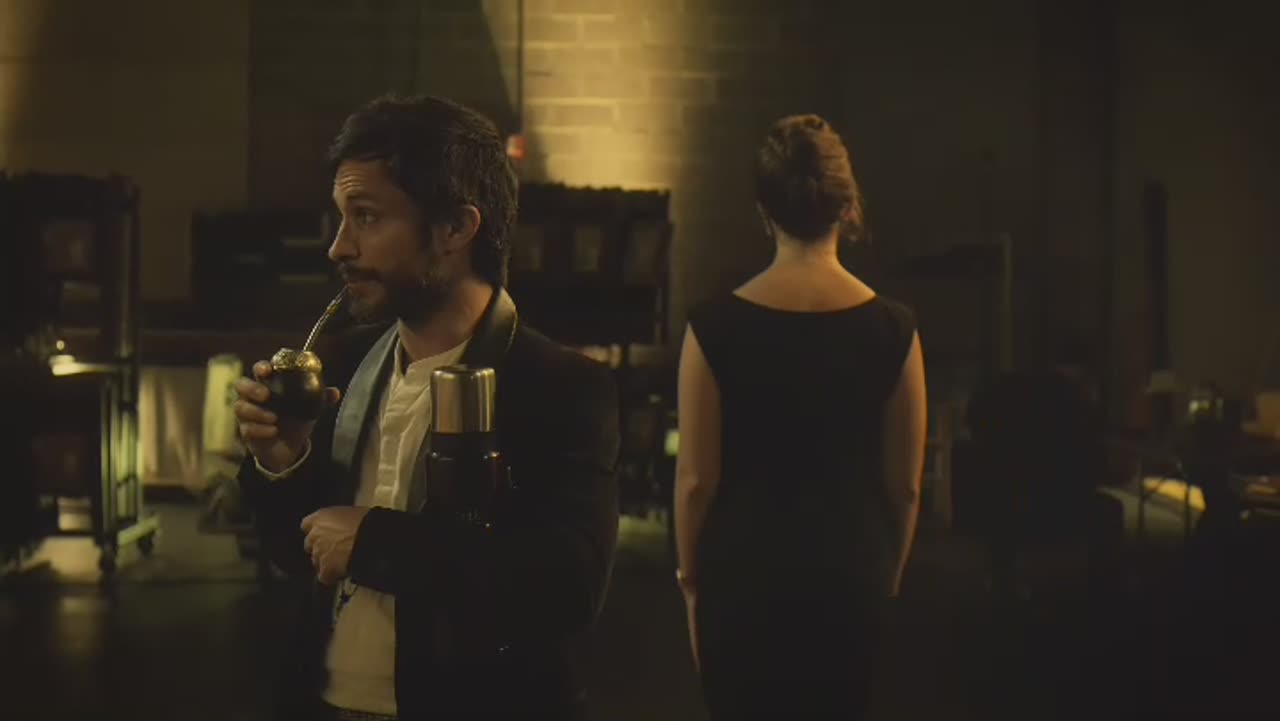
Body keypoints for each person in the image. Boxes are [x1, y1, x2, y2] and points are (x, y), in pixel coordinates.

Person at [233, 94, 620, 721]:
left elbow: (567, 588)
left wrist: (375, 543)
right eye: (341, 217)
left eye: (366, 217)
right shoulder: (342, 365)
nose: (339, 247)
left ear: (455, 229)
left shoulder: (561, 386)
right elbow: (298, 554)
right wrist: (284, 462)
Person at [673, 114, 927, 720]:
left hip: (742, 579)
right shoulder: (894, 329)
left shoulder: (712, 328)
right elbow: (905, 486)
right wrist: (885, 576)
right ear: (847, 207)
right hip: (851, 572)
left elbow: (696, 482)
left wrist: (691, 583)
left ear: (765, 213)